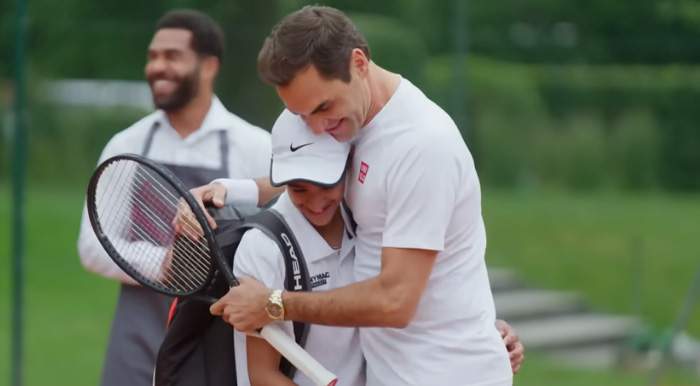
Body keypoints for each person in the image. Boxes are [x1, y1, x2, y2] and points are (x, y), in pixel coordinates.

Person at [206, 6, 515, 386]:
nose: (318, 128)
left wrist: (273, 304)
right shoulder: (352, 120)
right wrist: (228, 191)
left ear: (358, 63)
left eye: (323, 108)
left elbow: (395, 301)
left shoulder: (422, 146)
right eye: (302, 116)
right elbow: (312, 171)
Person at [76, 9, 280, 386]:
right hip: (136, 336)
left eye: (172, 56)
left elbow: (281, 238)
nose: (157, 66)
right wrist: (167, 265)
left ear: (208, 67)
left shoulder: (254, 145)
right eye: (153, 56)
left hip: (213, 338)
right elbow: (92, 246)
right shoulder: (127, 144)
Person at [232, 120, 364, 386]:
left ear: (348, 164)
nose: (316, 203)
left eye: (327, 185)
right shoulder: (261, 248)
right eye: (298, 188)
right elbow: (262, 375)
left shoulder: (368, 222)